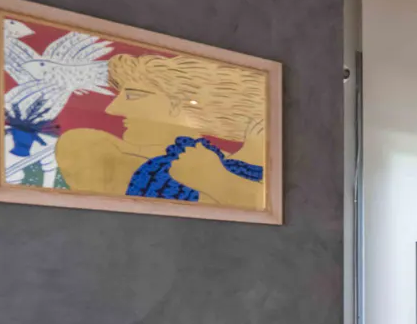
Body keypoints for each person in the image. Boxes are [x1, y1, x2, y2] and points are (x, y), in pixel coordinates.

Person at [55, 53, 267, 209]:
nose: (112, 108)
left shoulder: (223, 162)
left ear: (177, 104)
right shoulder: (92, 147)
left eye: (133, 96)